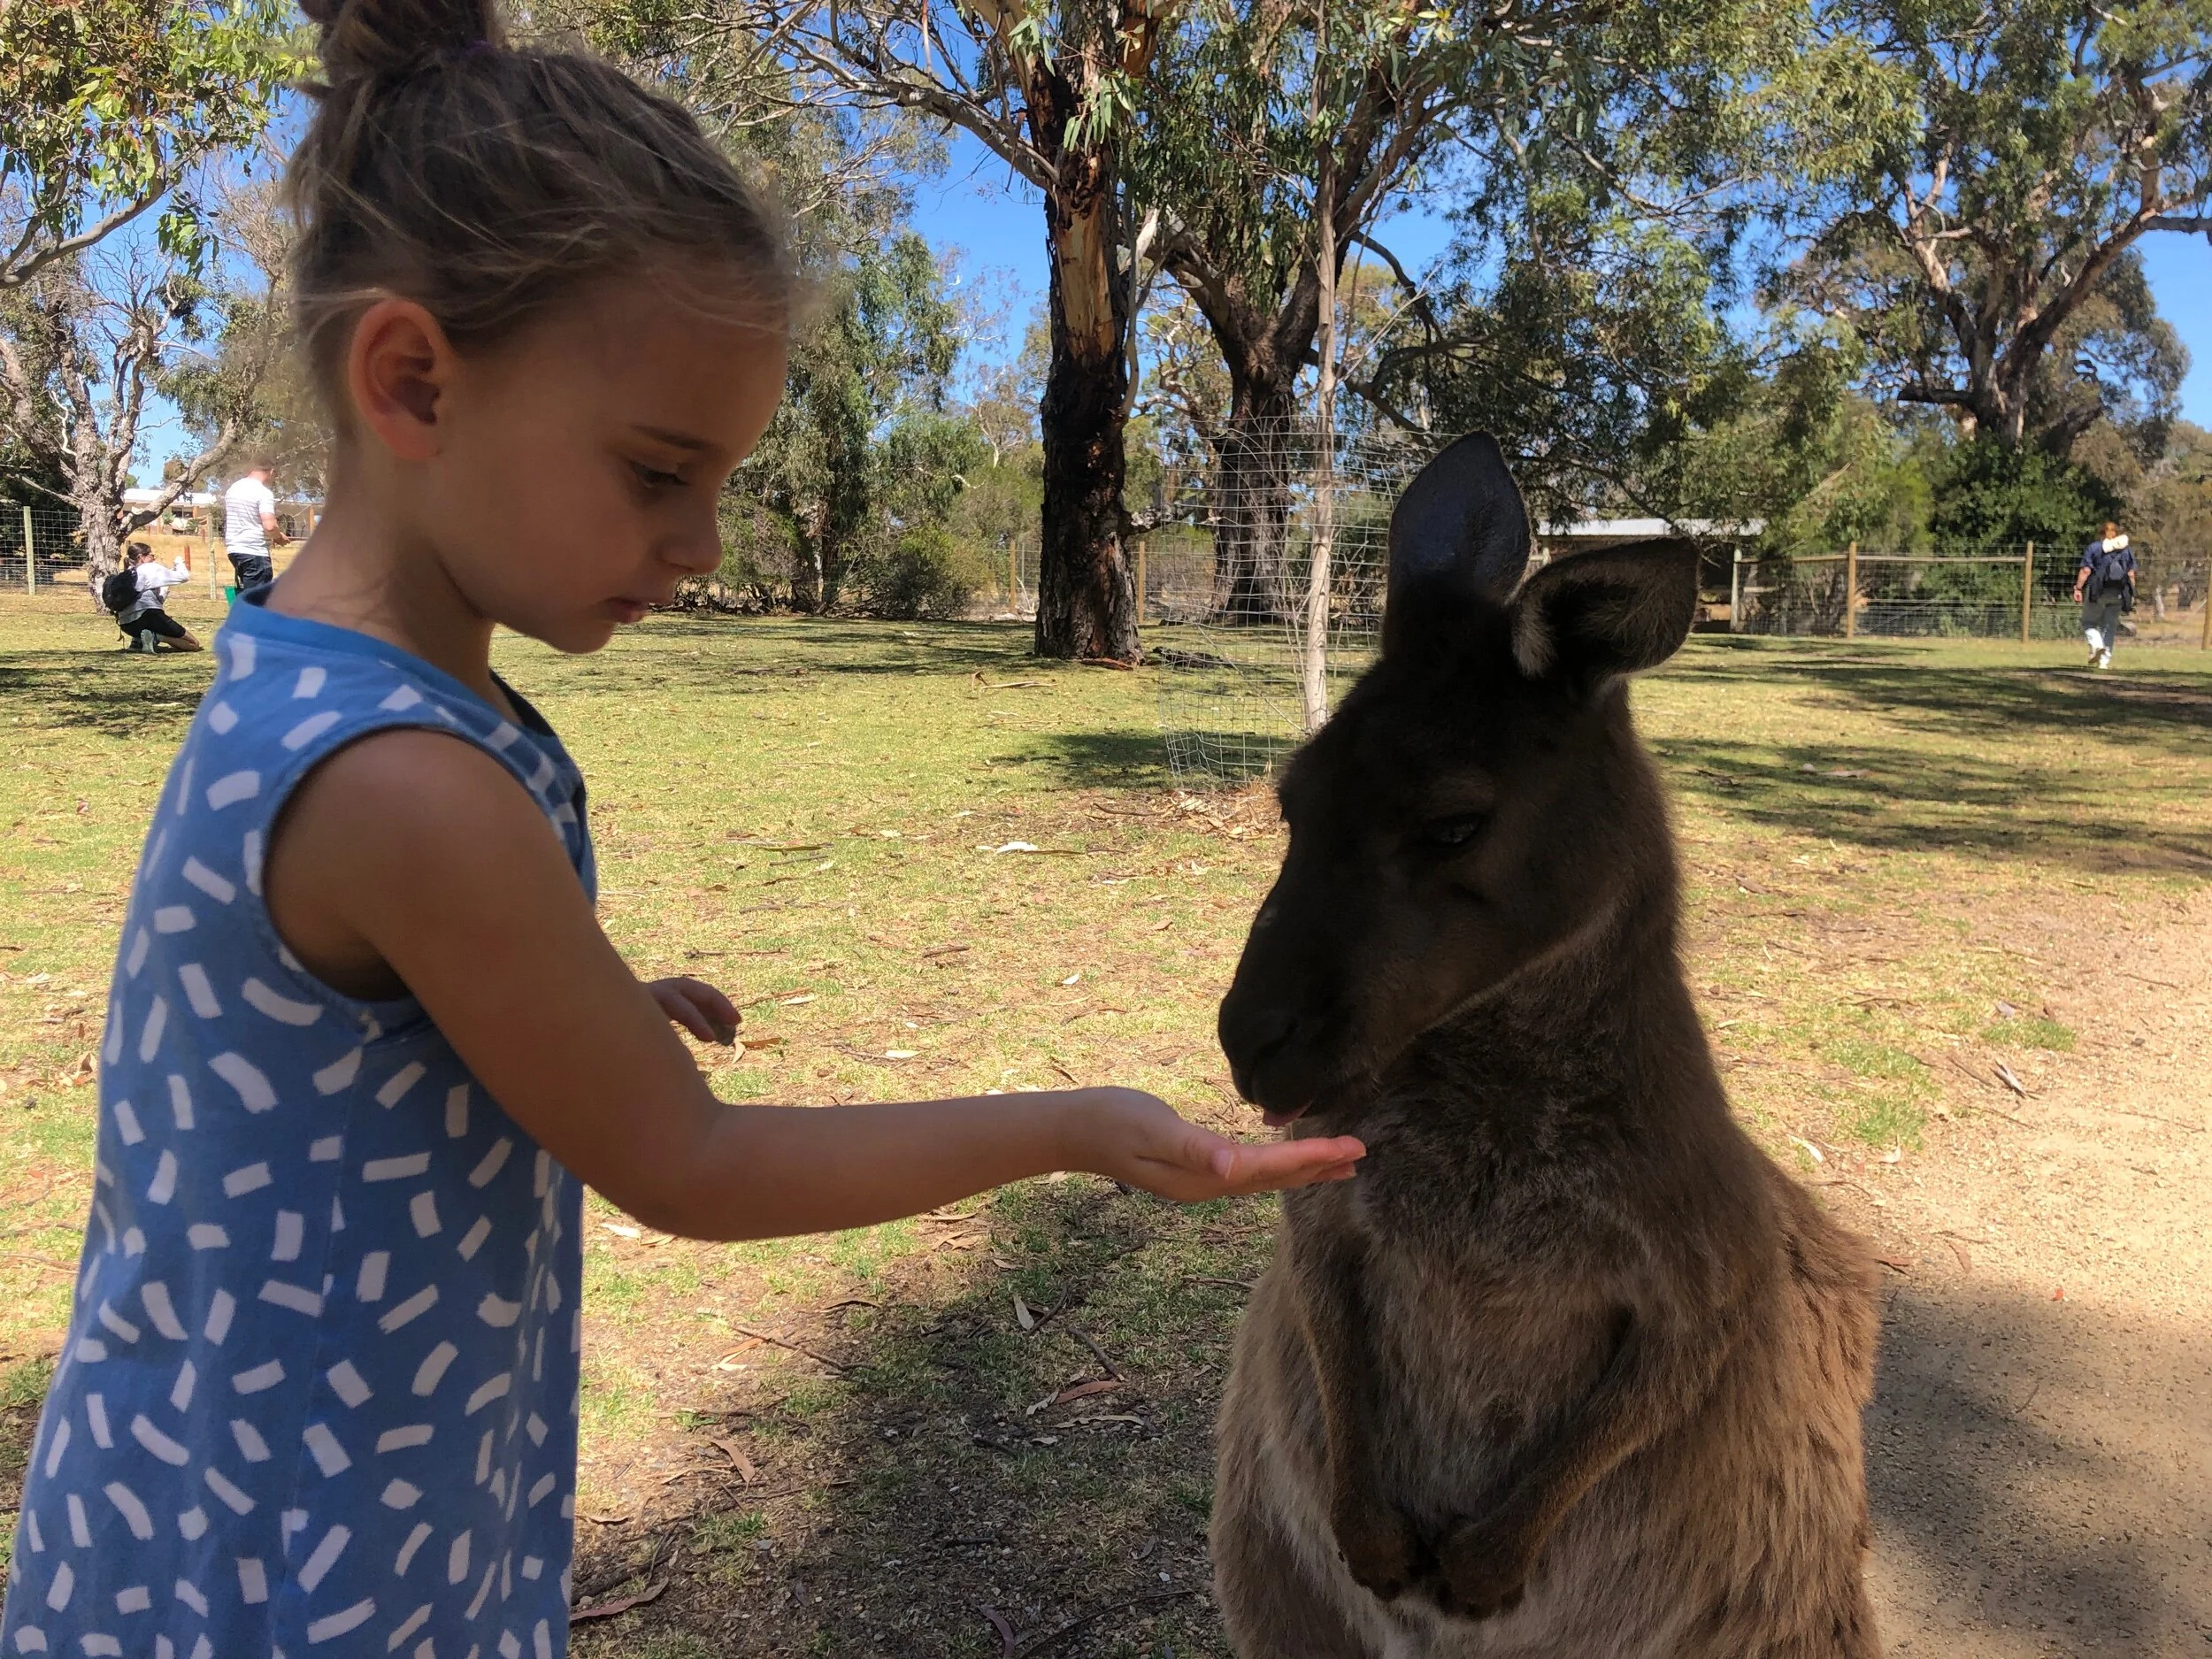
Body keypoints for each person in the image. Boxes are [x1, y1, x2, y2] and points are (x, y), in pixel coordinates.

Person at [0, 4, 1363, 1655]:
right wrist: (1074, 1127)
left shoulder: (318, 685)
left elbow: (327, 1028)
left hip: (242, 1508)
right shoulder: (404, 781)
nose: (705, 543)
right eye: (658, 473)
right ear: (415, 380)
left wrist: (563, 1013)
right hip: (289, 1576)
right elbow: (691, 1165)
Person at [111, 540, 204, 653]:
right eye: (151, 555)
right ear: (141, 557)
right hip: (149, 616)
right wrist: (179, 562)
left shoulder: (127, 574)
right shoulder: (150, 568)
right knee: (194, 644)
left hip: (126, 625)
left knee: (148, 618)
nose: (153, 558)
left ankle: (138, 641)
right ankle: (157, 637)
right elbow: (183, 576)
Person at [2074, 518, 2136, 669]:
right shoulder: (2126, 550)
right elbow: (2131, 573)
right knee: (2110, 627)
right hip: (2118, 592)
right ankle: (2104, 663)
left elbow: (2085, 570)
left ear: (2101, 533)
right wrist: (2131, 594)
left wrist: (2078, 588)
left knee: (2089, 622)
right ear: (2116, 533)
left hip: (2098, 592)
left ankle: (2096, 646)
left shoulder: (2095, 548)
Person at [222, 458, 288, 594]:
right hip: (254, 553)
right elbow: (270, 526)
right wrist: (279, 537)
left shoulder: (233, 489)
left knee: (249, 598)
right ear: (271, 472)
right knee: (257, 603)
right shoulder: (263, 493)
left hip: (235, 550)